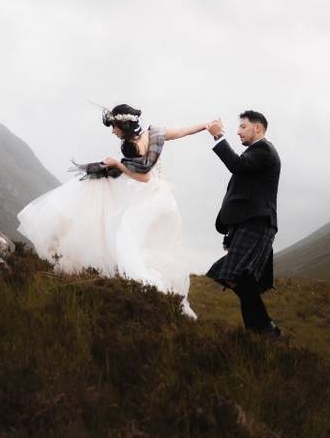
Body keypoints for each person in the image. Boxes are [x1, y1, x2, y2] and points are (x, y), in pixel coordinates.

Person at [17, 104, 207, 318]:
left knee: (123, 235)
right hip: (161, 198)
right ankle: (155, 292)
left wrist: (117, 163)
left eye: (114, 126)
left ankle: (142, 285)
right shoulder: (155, 134)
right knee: (148, 245)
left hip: (144, 199)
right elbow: (181, 132)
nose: (112, 131)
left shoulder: (130, 147)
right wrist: (205, 126)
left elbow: (143, 176)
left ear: (125, 126)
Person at [205, 111, 282, 337]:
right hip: (248, 223)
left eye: (242, 126)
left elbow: (236, 165)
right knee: (233, 275)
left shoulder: (264, 150)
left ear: (257, 129)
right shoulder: (255, 154)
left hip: (259, 223)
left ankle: (265, 329)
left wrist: (218, 137)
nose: (238, 131)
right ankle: (258, 330)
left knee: (238, 275)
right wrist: (230, 234)